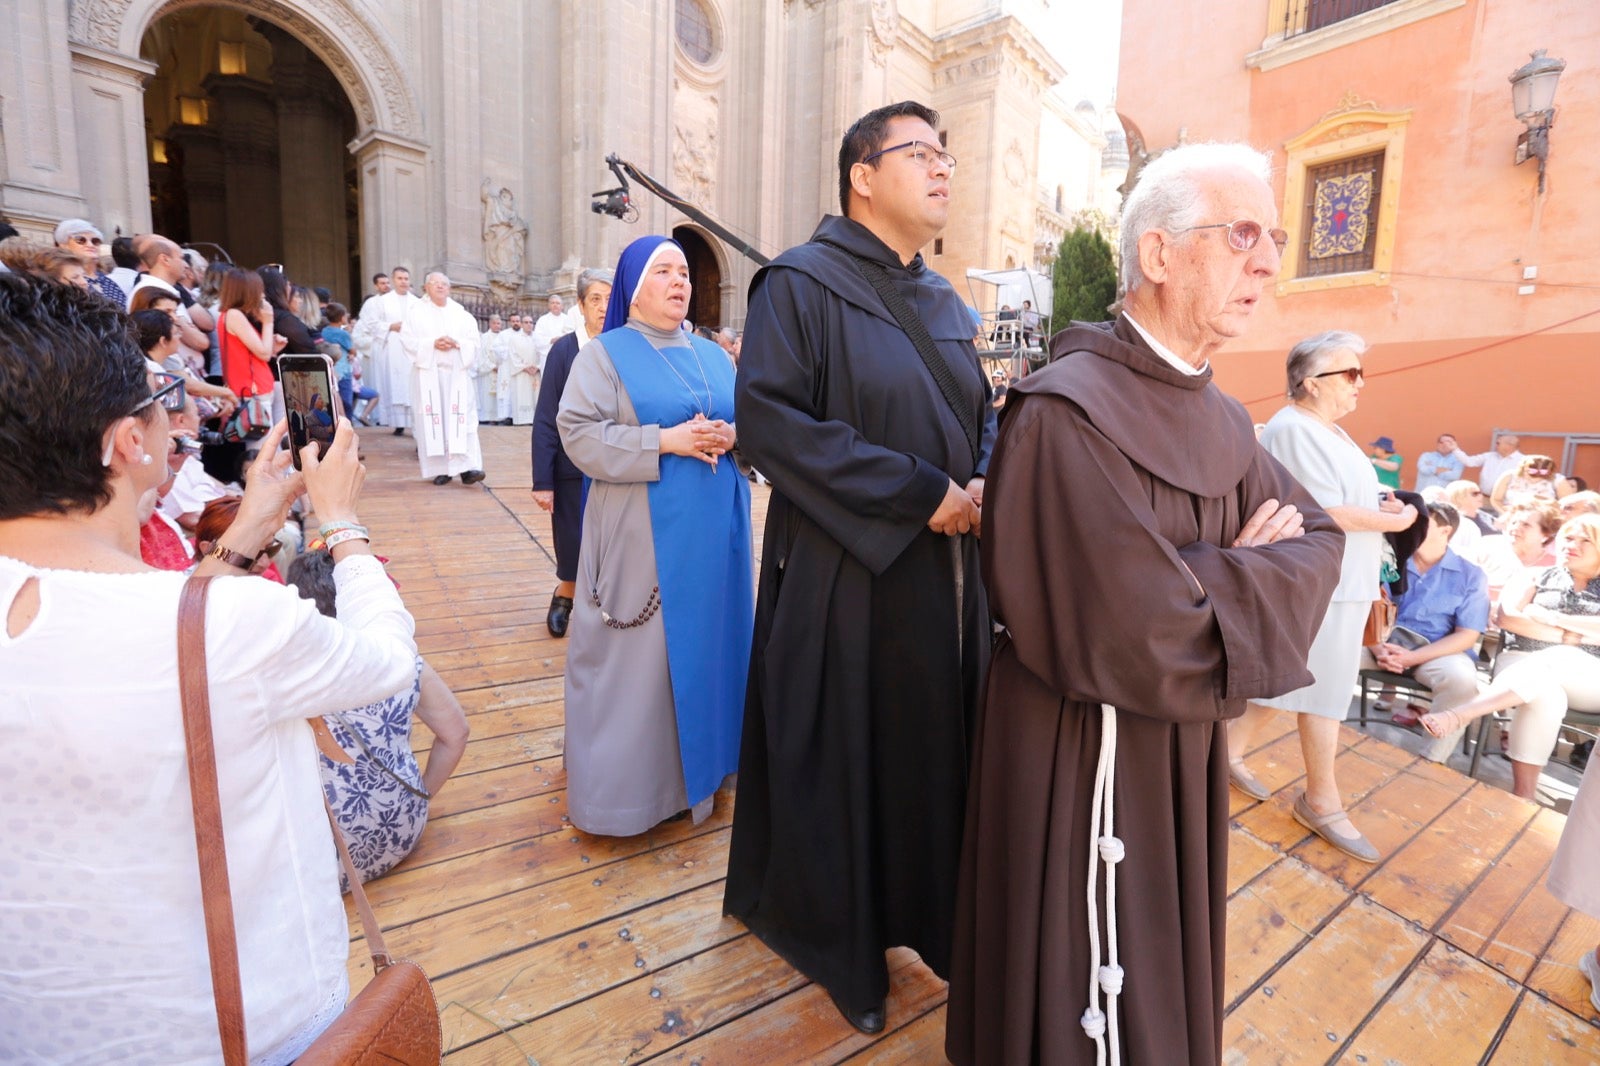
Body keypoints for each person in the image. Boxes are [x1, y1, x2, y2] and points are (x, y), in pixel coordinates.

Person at [945, 144, 1343, 1066]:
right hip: (1072, 751)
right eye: (1243, 233)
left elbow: (1318, 543)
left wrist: (1203, 575)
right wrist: (1234, 568)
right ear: (1159, 256)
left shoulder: (1224, 420)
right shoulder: (1064, 412)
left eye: (1274, 237)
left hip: (1178, 746)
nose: (1268, 261)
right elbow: (1140, 626)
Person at [0, 273, 417, 1063]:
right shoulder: (241, 627)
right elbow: (388, 661)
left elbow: (166, 631)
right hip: (248, 1025)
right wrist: (342, 522)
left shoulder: (194, 620)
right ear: (129, 439)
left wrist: (255, 519)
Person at [725, 101, 996, 1036]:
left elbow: (983, 411)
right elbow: (772, 424)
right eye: (920, 152)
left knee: (928, 751)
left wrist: (988, 473)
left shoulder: (947, 300)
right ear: (863, 176)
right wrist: (922, 491)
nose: (943, 167)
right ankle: (844, 940)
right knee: (848, 752)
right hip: (847, 576)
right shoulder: (795, 284)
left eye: (946, 152)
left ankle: (929, 921)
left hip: (944, 581)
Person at [555, 235, 752, 836]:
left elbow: (748, 419)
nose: (679, 281)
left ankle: (708, 773)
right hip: (643, 533)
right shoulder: (605, 355)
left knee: (711, 648)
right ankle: (636, 794)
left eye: (686, 272)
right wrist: (664, 441)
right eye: (663, 271)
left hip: (716, 531)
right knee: (641, 664)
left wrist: (732, 434)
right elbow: (579, 435)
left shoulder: (715, 354)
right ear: (633, 287)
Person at [1226, 331, 1416, 866]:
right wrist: (1395, 520)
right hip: (1320, 583)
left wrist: (1378, 504)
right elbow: (1318, 512)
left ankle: (1222, 755)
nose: (1361, 383)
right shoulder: (1294, 429)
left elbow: (1337, 501)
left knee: (1291, 683)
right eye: (1350, 373)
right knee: (1325, 693)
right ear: (1311, 383)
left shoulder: (1325, 431)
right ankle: (1321, 800)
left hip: (1339, 581)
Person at [286, 549, 470, 884]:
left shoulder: (286, 680)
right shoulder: (400, 660)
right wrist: (420, 796)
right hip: (404, 828)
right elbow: (456, 735)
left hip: (325, 864)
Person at [1421, 515, 1600, 797]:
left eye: (1584, 540)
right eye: (1568, 537)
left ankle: (1461, 714)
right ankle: (1523, 797)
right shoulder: (1534, 575)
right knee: (1546, 693)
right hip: (1520, 659)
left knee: (1561, 657)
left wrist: (1548, 618)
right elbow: (1509, 618)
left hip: (1589, 678)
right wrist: (1575, 634)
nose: (1571, 545)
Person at [1362, 502, 1489, 756]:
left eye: (1421, 523)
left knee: (1462, 681)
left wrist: (1412, 657)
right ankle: (1313, 732)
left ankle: (1431, 760)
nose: (1411, 526)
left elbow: (1467, 635)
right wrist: (1377, 647)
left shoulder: (1471, 575)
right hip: (1379, 642)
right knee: (1331, 650)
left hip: (1434, 653)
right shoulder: (1389, 558)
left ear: (1445, 531)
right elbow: (1363, 606)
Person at [533, 267, 612, 637]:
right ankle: (565, 593)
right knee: (572, 538)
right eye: (594, 298)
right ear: (580, 305)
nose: (602, 306)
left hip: (614, 464)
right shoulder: (564, 351)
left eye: (609, 298)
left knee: (612, 541)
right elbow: (547, 415)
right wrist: (542, 480)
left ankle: (604, 607)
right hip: (570, 467)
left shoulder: (621, 345)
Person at [399, 271, 486, 485]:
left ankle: (468, 468)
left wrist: (457, 343)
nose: (440, 287)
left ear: (449, 288)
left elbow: (474, 342)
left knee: (462, 420)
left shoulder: (461, 314)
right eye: (434, 283)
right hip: (430, 374)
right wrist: (432, 343)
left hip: (456, 375)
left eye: (444, 284)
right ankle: (442, 470)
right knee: (436, 422)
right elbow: (407, 340)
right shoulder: (416, 312)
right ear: (426, 287)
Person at [357, 266, 420, 433]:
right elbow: (371, 323)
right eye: (400, 278)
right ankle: (398, 423)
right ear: (393, 280)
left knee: (411, 385)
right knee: (396, 384)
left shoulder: (417, 302)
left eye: (406, 279)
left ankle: (414, 423)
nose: (403, 282)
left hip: (411, 349)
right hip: (392, 347)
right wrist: (390, 326)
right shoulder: (382, 302)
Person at [53, 218, 124, 303]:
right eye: (80, 240)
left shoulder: (108, 281)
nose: (90, 245)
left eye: (95, 241)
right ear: (64, 245)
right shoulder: (62, 280)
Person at [1452, 432, 1525, 498]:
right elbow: (1469, 462)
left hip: (1505, 502)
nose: (1496, 445)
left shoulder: (1522, 461)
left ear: (1509, 445)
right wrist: (1455, 449)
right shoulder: (1489, 456)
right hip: (1484, 498)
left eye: (1498, 443)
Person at [1490, 453, 1564, 511]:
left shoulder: (1557, 480)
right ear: (1523, 468)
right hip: (1511, 519)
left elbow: (1567, 504)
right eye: (1532, 471)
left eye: (1543, 472)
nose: (1537, 474)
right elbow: (1496, 499)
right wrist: (1507, 515)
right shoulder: (1509, 476)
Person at [477, 312, 508, 419]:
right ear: (490, 324)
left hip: (502, 371)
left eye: (499, 323)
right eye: (494, 323)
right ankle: (487, 417)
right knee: (487, 396)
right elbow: (481, 355)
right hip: (489, 372)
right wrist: (492, 366)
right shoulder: (484, 338)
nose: (497, 325)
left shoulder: (504, 337)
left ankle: (500, 417)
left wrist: (502, 367)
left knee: (501, 394)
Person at [532, 292, 571, 361]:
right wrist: (550, 340)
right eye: (552, 303)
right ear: (549, 306)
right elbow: (537, 339)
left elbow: (571, 335)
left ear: (562, 306)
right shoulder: (542, 320)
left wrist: (562, 340)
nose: (555, 305)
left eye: (558, 303)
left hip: (564, 355)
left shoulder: (568, 319)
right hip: (547, 355)